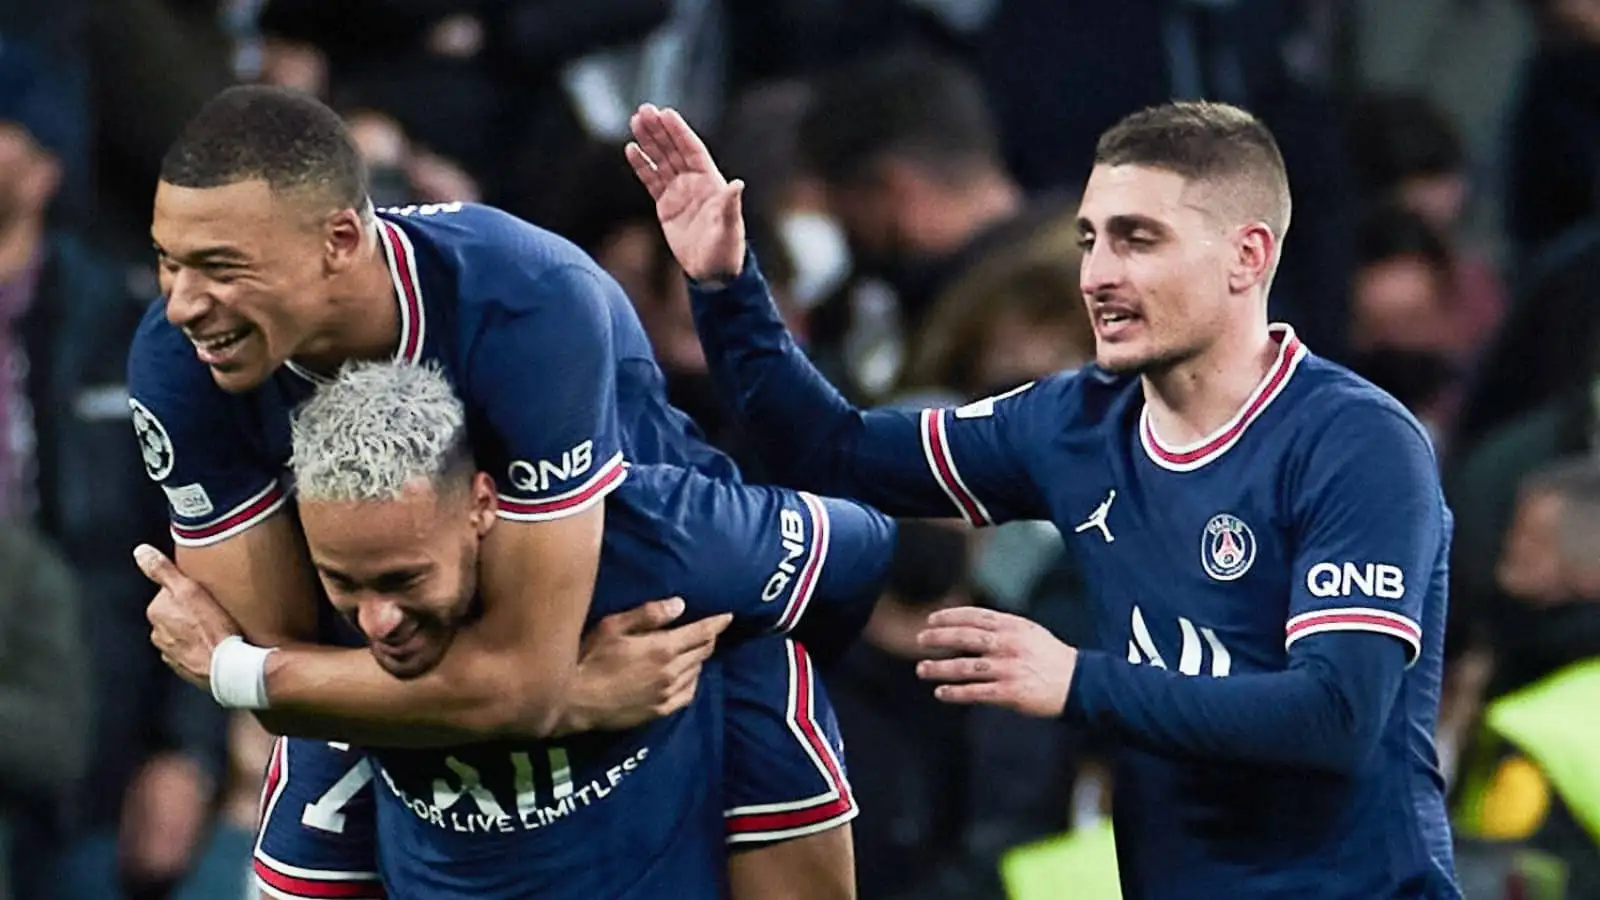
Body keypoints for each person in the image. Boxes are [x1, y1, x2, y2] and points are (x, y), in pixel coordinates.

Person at [627, 99, 1461, 897]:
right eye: (1090, 241)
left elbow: (1335, 718)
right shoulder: (1075, 421)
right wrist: (728, 288)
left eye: (1139, 241)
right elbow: (835, 450)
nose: (1096, 275)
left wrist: (1073, 681)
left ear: (1248, 256)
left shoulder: (1356, 443)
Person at [127, 85, 861, 899]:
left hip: (649, 614)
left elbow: (309, 673)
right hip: (413, 698)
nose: (184, 303)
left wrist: (233, 671)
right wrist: (567, 698)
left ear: (340, 239)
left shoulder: (525, 302)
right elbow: (295, 675)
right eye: (169, 260)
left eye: (221, 268)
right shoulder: (177, 363)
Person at [146, 359, 892, 898]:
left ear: (481, 506)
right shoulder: (339, 678)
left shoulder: (678, 564)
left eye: (405, 579)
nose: (376, 619)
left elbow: (865, 549)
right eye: (344, 582)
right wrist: (555, 702)